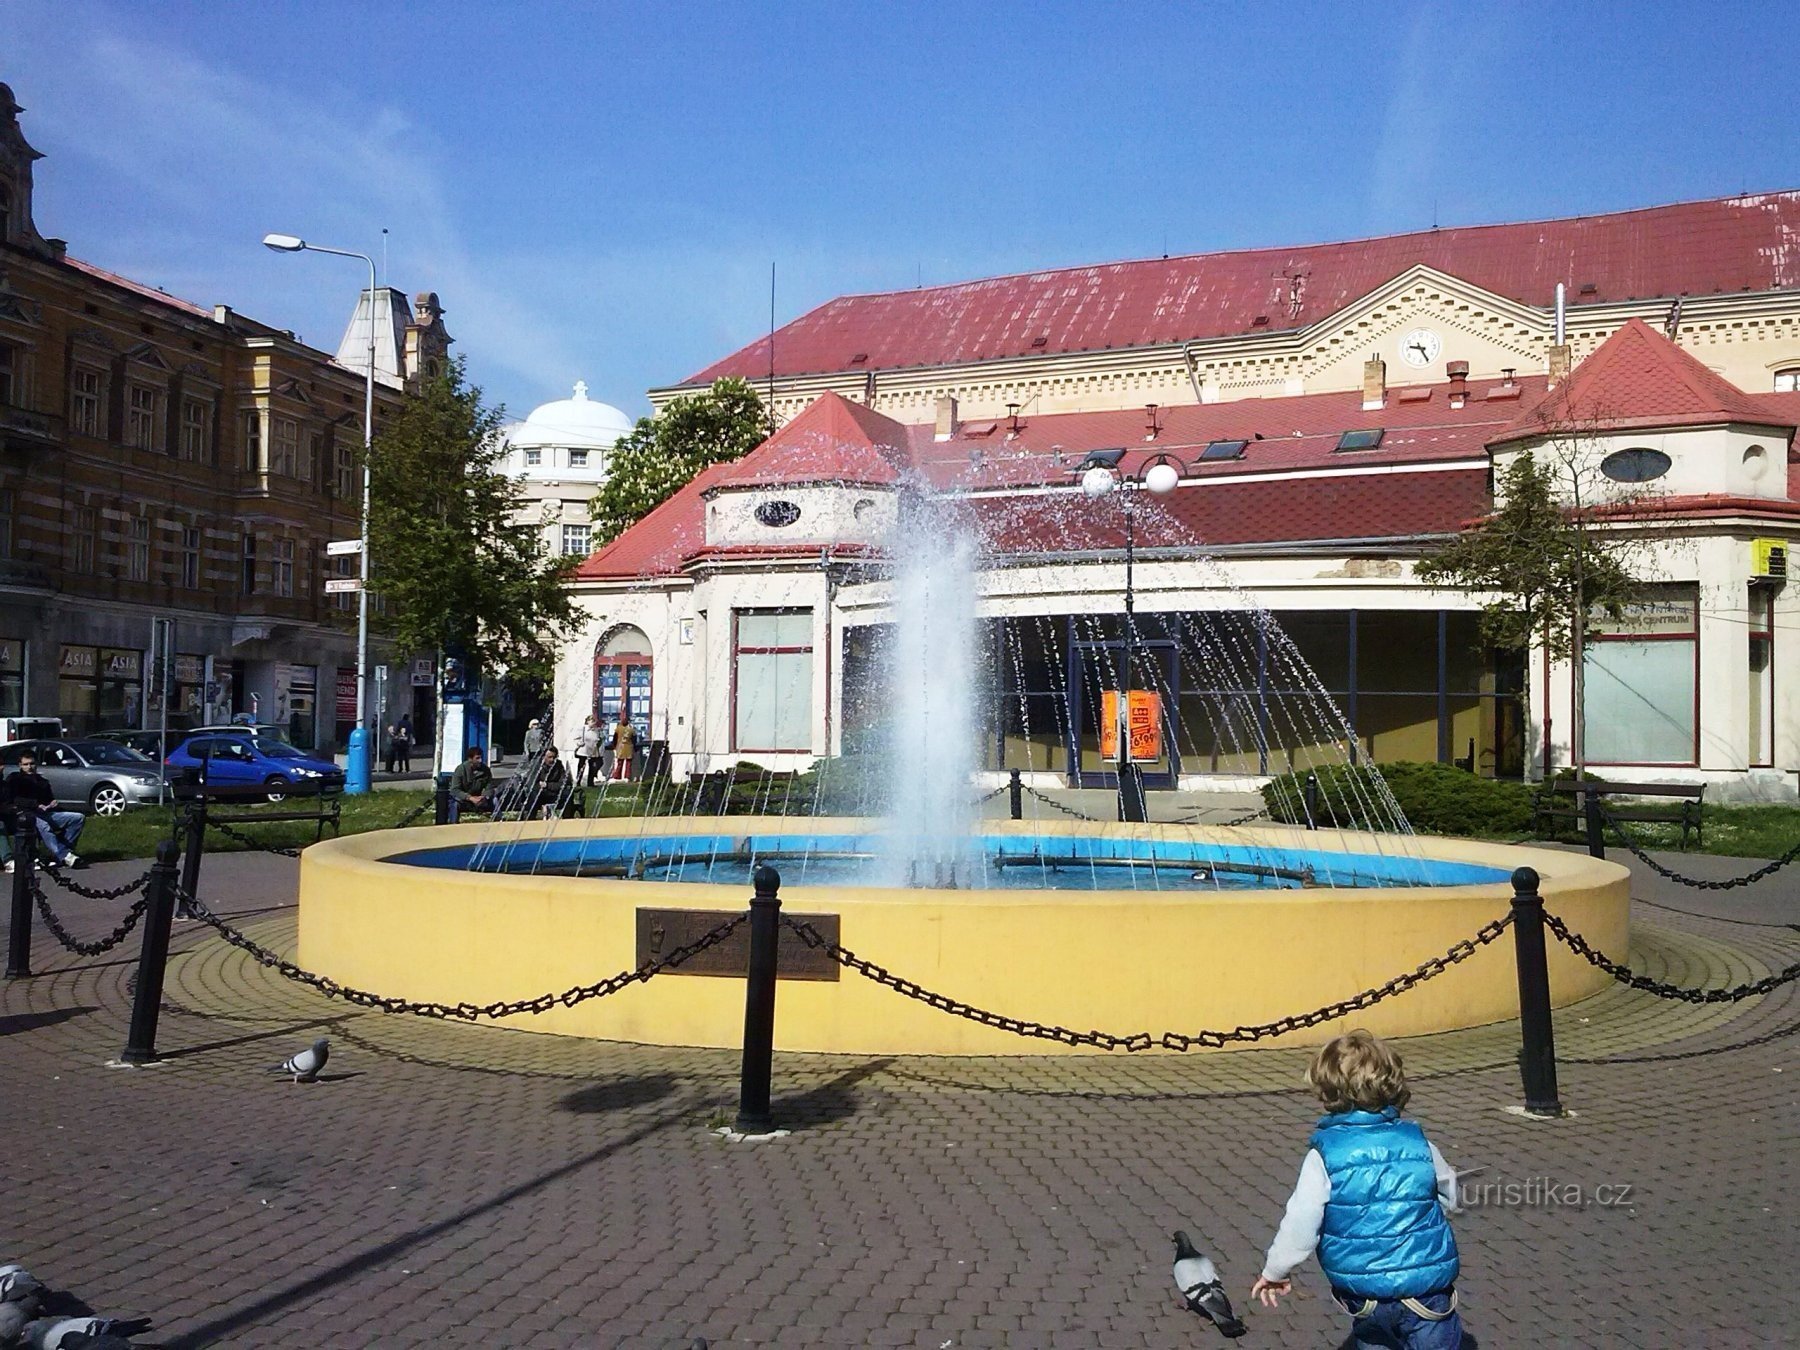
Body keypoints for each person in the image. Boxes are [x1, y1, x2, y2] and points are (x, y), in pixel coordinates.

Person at [1251, 1029, 1464, 1348]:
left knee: (1374, 1340)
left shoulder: (1324, 1154)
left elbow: (1301, 1221)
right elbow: (1453, 1195)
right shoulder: (1418, 1143)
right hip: (1427, 1290)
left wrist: (1277, 1269)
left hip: (1365, 1296)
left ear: (1326, 1091)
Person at [3, 749, 86, 869]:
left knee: (77, 818)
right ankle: (66, 856)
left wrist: (53, 803)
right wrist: (35, 804)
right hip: (24, 815)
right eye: (26, 764)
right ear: (20, 765)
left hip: (44, 812)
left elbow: (48, 800)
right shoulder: (14, 779)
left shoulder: (42, 781)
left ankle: (61, 852)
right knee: (44, 826)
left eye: (32, 763)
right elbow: (14, 799)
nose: (29, 767)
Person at [446, 744, 495, 823]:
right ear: (470, 759)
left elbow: (490, 787)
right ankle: (453, 824)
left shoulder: (485, 770)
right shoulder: (461, 770)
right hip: (465, 800)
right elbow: (455, 790)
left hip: (480, 799)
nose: (480, 760)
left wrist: (484, 797)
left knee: (495, 800)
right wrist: (470, 798)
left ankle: (498, 822)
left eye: (481, 757)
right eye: (477, 758)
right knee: (454, 804)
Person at [520, 745, 572, 819]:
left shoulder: (559, 765)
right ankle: (530, 820)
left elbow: (563, 784)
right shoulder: (536, 765)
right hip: (539, 795)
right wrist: (549, 786)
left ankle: (568, 820)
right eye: (549, 757)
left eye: (554, 757)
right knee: (533, 794)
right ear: (543, 757)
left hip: (553, 793)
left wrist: (546, 785)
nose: (552, 760)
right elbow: (532, 785)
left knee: (567, 794)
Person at [575, 714, 603, 787]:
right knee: (581, 767)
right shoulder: (583, 729)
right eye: (591, 721)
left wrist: (598, 742)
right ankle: (578, 782)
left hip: (593, 751)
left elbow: (599, 739)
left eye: (594, 721)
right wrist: (579, 743)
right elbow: (576, 738)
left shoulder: (596, 730)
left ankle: (590, 782)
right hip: (583, 751)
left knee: (592, 767)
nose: (593, 723)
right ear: (587, 721)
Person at [609, 712, 637, 782]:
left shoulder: (618, 728)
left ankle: (617, 776)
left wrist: (614, 746)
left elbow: (614, 738)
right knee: (628, 763)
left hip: (620, 747)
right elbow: (634, 739)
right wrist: (635, 748)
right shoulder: (631, 729)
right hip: (629, 747)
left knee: (620, 763)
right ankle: (627, 776)